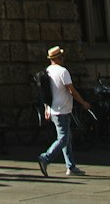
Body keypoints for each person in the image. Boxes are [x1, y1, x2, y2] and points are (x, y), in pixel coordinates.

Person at [37, 46, 90, 178]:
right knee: (63, 138)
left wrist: (46, 108)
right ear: (59, 58)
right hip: (62, 110)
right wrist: (83, 103)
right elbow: (71, 91)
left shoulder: (47, 71)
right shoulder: (63, 71)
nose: (63, 58)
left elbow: (45, 93)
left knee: (67, 137)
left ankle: (70, 166)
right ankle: (46, 157)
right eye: (62, 56)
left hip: (54, 109)